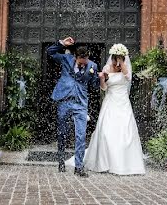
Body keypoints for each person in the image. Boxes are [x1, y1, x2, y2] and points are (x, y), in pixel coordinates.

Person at [75, 43, 145, 175]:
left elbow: (128, 77)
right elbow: (104, 88)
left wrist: (121, 63)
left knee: (125, 132)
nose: (115, 62)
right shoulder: (107, 67)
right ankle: (105, 162)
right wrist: (102, 78)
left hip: (123, 103)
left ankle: (124, 164)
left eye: (119, 59)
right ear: (111, 58)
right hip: (110, 102)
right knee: (107, 132)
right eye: (115, 59)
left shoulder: (126, 68)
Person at [49, 37, 101, 177]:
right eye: (80, 62)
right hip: (64, 100)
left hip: (80, 104)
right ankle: (61, 160)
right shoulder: (66, 59)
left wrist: (102, 78)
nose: (83, 65)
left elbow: (95, 85)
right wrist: (61, 44)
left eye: (85, 62)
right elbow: (50, 52)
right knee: (62, 132)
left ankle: (79, 167)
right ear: (76, 57)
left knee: (81, 135)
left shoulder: (92, 66)